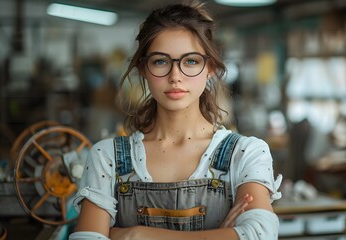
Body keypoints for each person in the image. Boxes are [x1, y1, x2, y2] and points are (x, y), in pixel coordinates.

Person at [69, 1, 282, 239]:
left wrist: (138, 234)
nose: (175, 76)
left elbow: (260, 235)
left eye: (191, 61)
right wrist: (223, 235)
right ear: (143, 68)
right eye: (160, 61)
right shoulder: (106, 157)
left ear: (209, 67)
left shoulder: (246, 153)